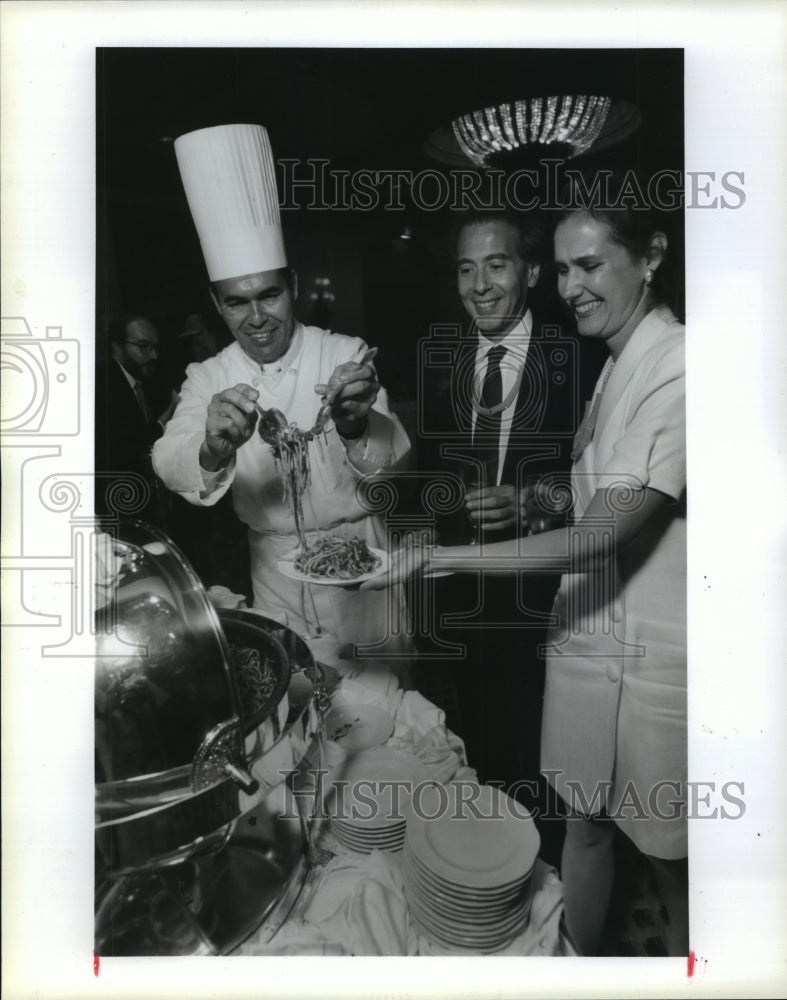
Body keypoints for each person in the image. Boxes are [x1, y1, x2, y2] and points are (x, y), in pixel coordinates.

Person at [368, 191, 687, 955]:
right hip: (577, 628)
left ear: (650, 255)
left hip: (630, 632)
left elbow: (592, 532)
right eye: (569, 270)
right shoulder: (618, 358)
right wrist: (526, 499)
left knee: (665, 848)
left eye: (589, 265)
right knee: (582, 813)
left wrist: (437, 555)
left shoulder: (651, 361)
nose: (574, 287)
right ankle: (547, 940)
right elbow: (582, 482)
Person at [152, 124, 411, 659]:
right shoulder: (208, 375)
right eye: (235, 302)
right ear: (216, 302)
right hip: (275, 571)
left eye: (269, 294)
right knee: (302, 709)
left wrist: (356, 424)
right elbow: (166, 458)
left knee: (386, 710)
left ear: (292, 284)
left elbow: (393, 465)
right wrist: (213, 447)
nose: (256, 318)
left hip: (361, 556)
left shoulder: (343, 353)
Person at [417, 209, 598, 865]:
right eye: (466, 268)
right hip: (463, 595)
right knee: (480, 741)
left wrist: (531, 505)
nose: (479, 285)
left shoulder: (577, 356)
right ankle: (489, 862)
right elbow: (430, 475)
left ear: (529, 271)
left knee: (542, 746)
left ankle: (545, 877)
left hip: (546, 596)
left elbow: (603, 484)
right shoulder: (446, 355)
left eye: (495, 265)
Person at [96, 314, 178, 529]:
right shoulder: (102, 384)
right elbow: (123, 446)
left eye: (155, 347)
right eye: (143, 347)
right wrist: (168, 414)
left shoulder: (146, 380)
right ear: (117, 347)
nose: (154, 355)